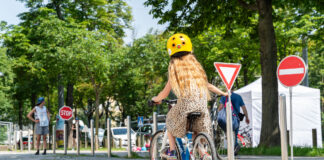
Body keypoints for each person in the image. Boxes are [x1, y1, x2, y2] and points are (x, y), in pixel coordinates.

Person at [152, 33, 227, 160]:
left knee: (170, 122)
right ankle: (203, 153)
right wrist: (223, 93)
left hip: (185, 106)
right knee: (196, 131)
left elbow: (164, 93)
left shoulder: (175, 70)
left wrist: (155, 99)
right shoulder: (196, 71)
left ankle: (172, 152)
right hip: (201, 106)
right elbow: (208, 85)